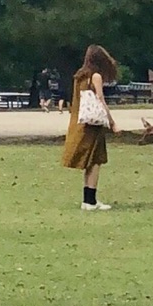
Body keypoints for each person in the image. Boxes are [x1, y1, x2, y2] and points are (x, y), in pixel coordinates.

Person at [60, 44, 118, 211]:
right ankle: (90, 200)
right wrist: (112, 121)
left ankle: (88, 199)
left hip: (81, 122)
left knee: (89, 162)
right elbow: (100, 99)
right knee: (95, 161)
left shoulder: (80, 77)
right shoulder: (96, 76)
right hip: (94, 125)